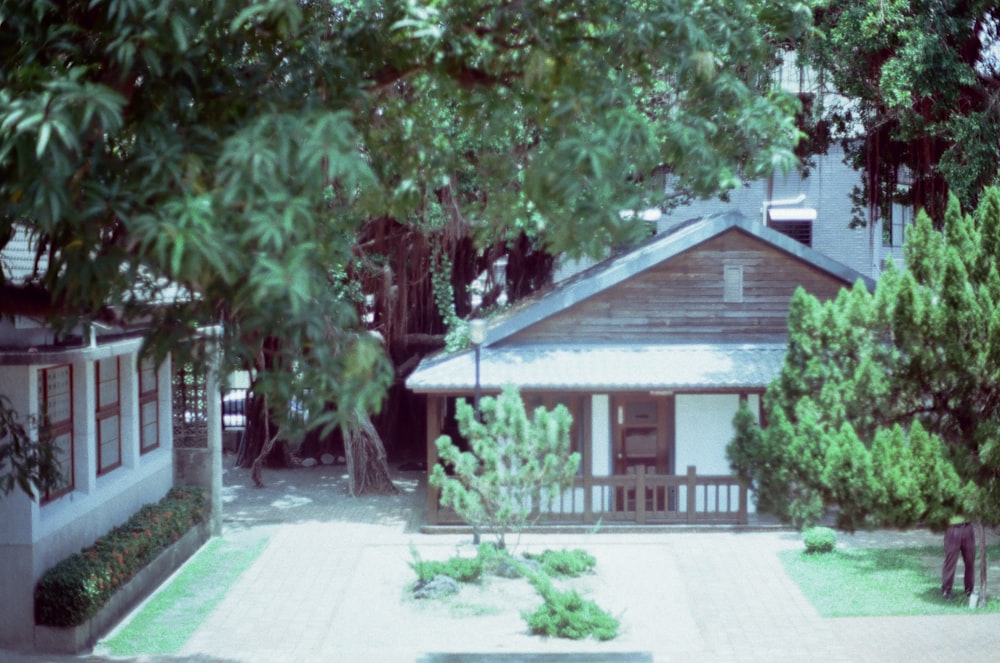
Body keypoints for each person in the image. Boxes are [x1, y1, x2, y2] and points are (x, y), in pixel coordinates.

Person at [941, 515, 975, 600]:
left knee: (970, 560)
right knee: (951, 561)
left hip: (968, 527)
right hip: (952, 528)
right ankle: (946, 589)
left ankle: (969, 589)